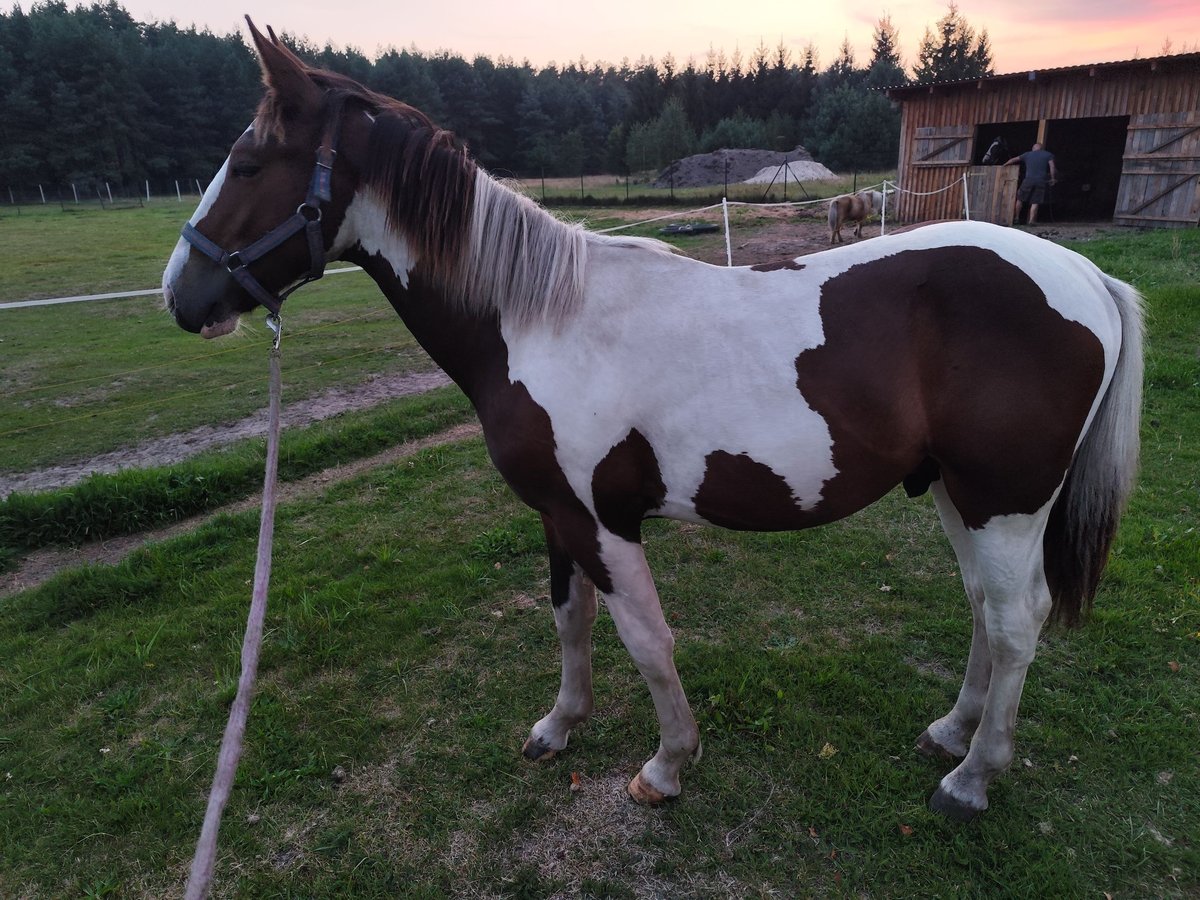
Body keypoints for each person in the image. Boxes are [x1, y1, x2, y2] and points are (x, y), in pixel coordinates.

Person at [1004, 142, 1057, 225]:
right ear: (1041, 148)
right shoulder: (1048, 155)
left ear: (1033, 148)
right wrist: (1053, 178)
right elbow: (1052, 166)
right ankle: (1031, 221)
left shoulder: (1027, 155)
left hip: (1028, 180)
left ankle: (1016, 218)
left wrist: (1004, 165)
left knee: (1020, 199)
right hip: (1041, 181)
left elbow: (1014, 159)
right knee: (1035, 201)